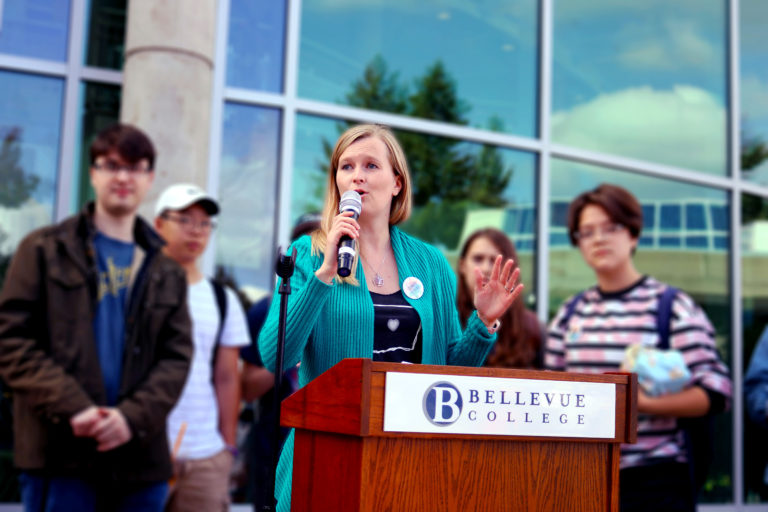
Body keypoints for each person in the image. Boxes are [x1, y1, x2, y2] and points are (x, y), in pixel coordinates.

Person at [257, 123, 524, 511]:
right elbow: (274, 355)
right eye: (346, 167)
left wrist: (482, 324)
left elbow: (448, 368)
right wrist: (324, 275)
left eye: (370, 165)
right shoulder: (310, 253)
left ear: (397, 183)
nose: (357, 176)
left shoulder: (429, 262)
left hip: (411, 458)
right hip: (328, 455)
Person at [0, 123, 193, 511]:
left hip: (140, 463)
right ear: (93, 173)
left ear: (149, 178)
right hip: (61, 458)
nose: (123, 176)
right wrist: (75, 407)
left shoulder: (165, 268)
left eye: (135, 167)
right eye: (110, 165)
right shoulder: (42, 249)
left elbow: (176, 358)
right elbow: (11, 342)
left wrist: (129, 418)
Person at [544, 183, 732, 512]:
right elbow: (551, 391)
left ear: (633, 234)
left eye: (610, 227)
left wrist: (640, 403)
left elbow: (717, 391)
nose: (598, 239)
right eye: (586, 232)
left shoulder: (670, 307)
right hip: (582, 479)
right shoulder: (569, 315)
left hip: (655, 482)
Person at [153, 183, 250, 511]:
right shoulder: (136, 289)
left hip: (206, 458)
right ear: (158, 224)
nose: (196, 231)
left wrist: (227, 448)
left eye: (204, 223)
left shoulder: (222, 299)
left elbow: (227, 377)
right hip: (143, 455)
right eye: (185, 219)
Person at [239, 213, 319, 510]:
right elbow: (246, 388)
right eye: (308, 244)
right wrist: (289, 351)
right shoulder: (267, 309)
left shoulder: (350, 308)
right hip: (273, 445)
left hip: (325, 445)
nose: (316, 253)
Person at [457, 228, 543, 369]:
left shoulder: (531, 327)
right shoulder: (445, 320)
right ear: (462, 266)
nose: (486, 268)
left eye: (495, 261)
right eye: (478, 259)